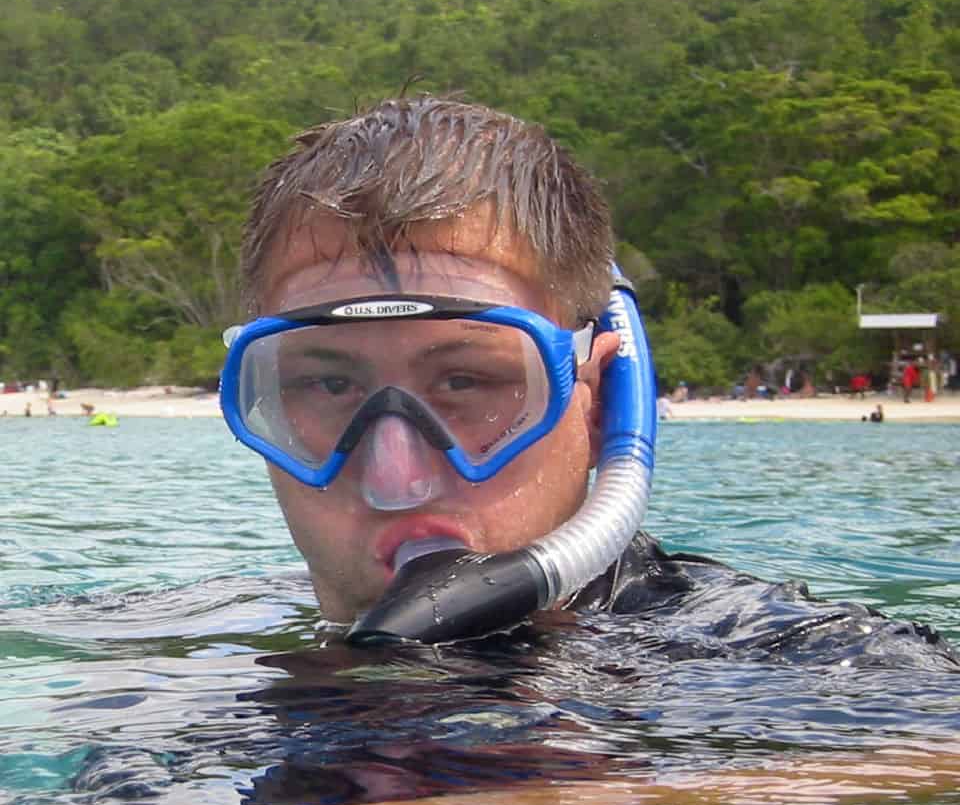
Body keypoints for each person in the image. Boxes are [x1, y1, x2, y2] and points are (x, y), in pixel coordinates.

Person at [221, 95, 958, 667]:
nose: (394, 478)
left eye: (467, 382)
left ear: (600, 400)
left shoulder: (772, 654)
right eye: (326, 386)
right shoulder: (188, 631)